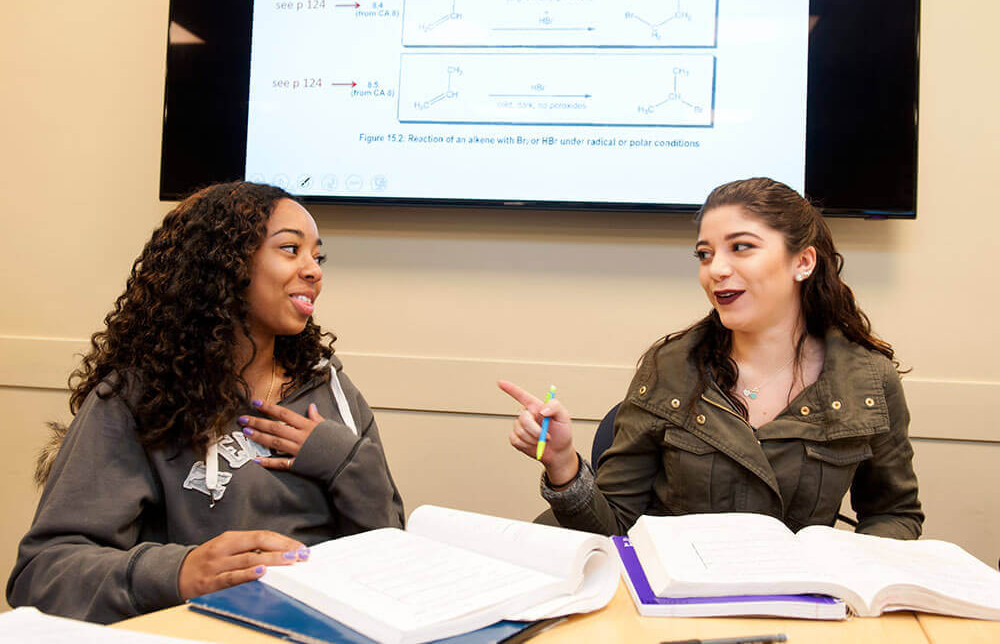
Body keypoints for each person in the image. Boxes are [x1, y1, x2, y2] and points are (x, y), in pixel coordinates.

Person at [7, 182, 404, 623]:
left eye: (317, 255)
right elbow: (42, 574)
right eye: (291, 249)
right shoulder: (135, 399)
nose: (314, 270)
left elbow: (389, 555)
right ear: (222, 265)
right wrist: (179, 572)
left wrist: (346, 462)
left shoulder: (334, 392)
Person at [501, 177, 923, 539]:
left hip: (801, 607)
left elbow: (894, 514)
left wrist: (849, 572)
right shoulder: (669, 366)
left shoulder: (868, 380)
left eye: (741, 247)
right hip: (677, 611)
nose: (716, 269)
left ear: (803, 261)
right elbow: (616, 532)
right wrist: (563, 463)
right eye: (704, 254)